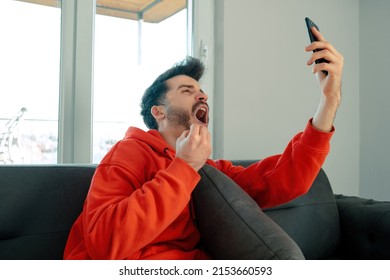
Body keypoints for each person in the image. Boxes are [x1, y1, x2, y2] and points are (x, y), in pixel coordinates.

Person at [63, 27, 343, 260]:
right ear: (157, 112)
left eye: (202, 93)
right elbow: (105, 243)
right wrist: (184, 167)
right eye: (187, 91)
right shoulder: (128, 153)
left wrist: (329, 102)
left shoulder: (207, 170)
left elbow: (287, 177)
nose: (202, 97)